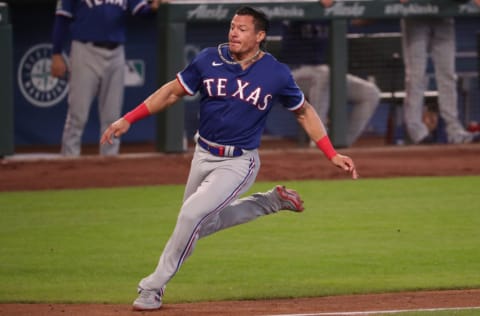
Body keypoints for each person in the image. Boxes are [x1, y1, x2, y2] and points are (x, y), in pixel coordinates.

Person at [101, 6, 358, 311]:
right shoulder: (209, 59)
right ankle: (270, 202)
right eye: (232, 26)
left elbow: (303, 111)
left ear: (260, 36)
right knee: (200, 225)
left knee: (190, 217)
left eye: (242, 28)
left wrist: (331, 152)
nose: (234, 32)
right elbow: (171, 92)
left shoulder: (275, 73)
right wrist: (129, 118)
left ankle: (153, 287)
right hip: (203, 154)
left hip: (238, 163)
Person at [50, 0, 160, 156]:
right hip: (85, 50)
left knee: (112, 115)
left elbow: (141, 11)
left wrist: (154, 8)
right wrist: (56, 53)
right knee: (77, 114)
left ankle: (110, 161)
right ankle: (69, 160)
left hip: (116, 52)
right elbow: (62, 18)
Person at [280, 0, 381, 147]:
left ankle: (342, 145)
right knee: (324, 74)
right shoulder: (300, 5)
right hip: (293, 73)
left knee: (370, 93)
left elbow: (360, 18)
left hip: (323, 75)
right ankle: (318, 142)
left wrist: (376, 8)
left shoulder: (336, 7)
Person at [400, 0, 480, 144]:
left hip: (444, 13)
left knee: (447, 76)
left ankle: (454, 132)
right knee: (416, 75)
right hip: (415, 14)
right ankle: (417, 133)